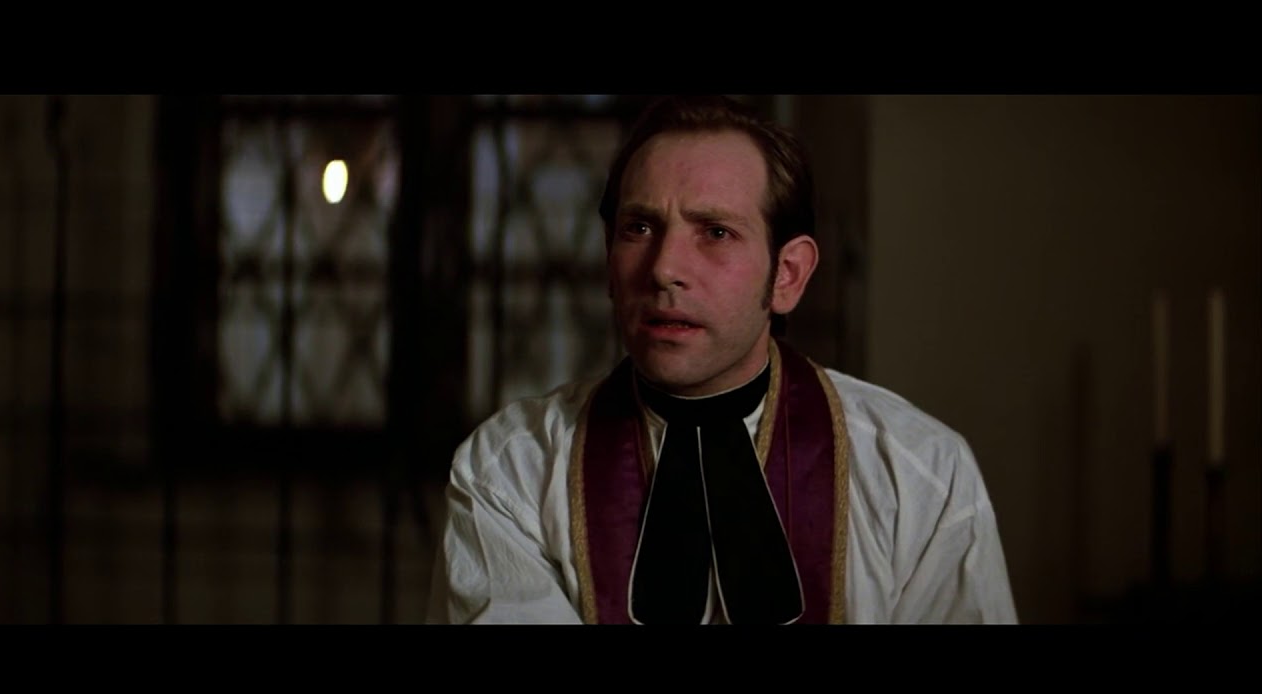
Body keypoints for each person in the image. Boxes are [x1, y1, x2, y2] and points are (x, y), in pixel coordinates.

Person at [426, 95, 1017, 624]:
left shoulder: (919, 472)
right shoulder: (511, 470)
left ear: (787, 275)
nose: (664, 269)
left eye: (714, 232)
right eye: (640, 227)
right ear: (608, 259)